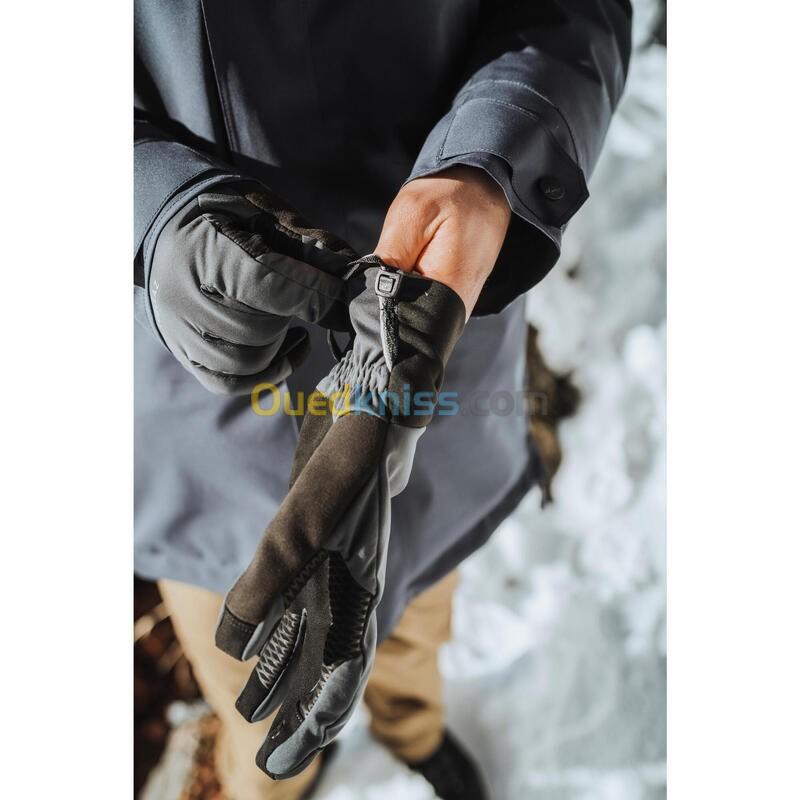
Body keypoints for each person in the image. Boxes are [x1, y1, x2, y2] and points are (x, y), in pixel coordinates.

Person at [134, 2, 631, 798]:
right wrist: (150, 209)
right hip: (198, 401)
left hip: (442, 332)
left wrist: (490, 164)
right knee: (259, 692)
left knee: (416, 622)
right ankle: (277, 786)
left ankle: (413, 729)